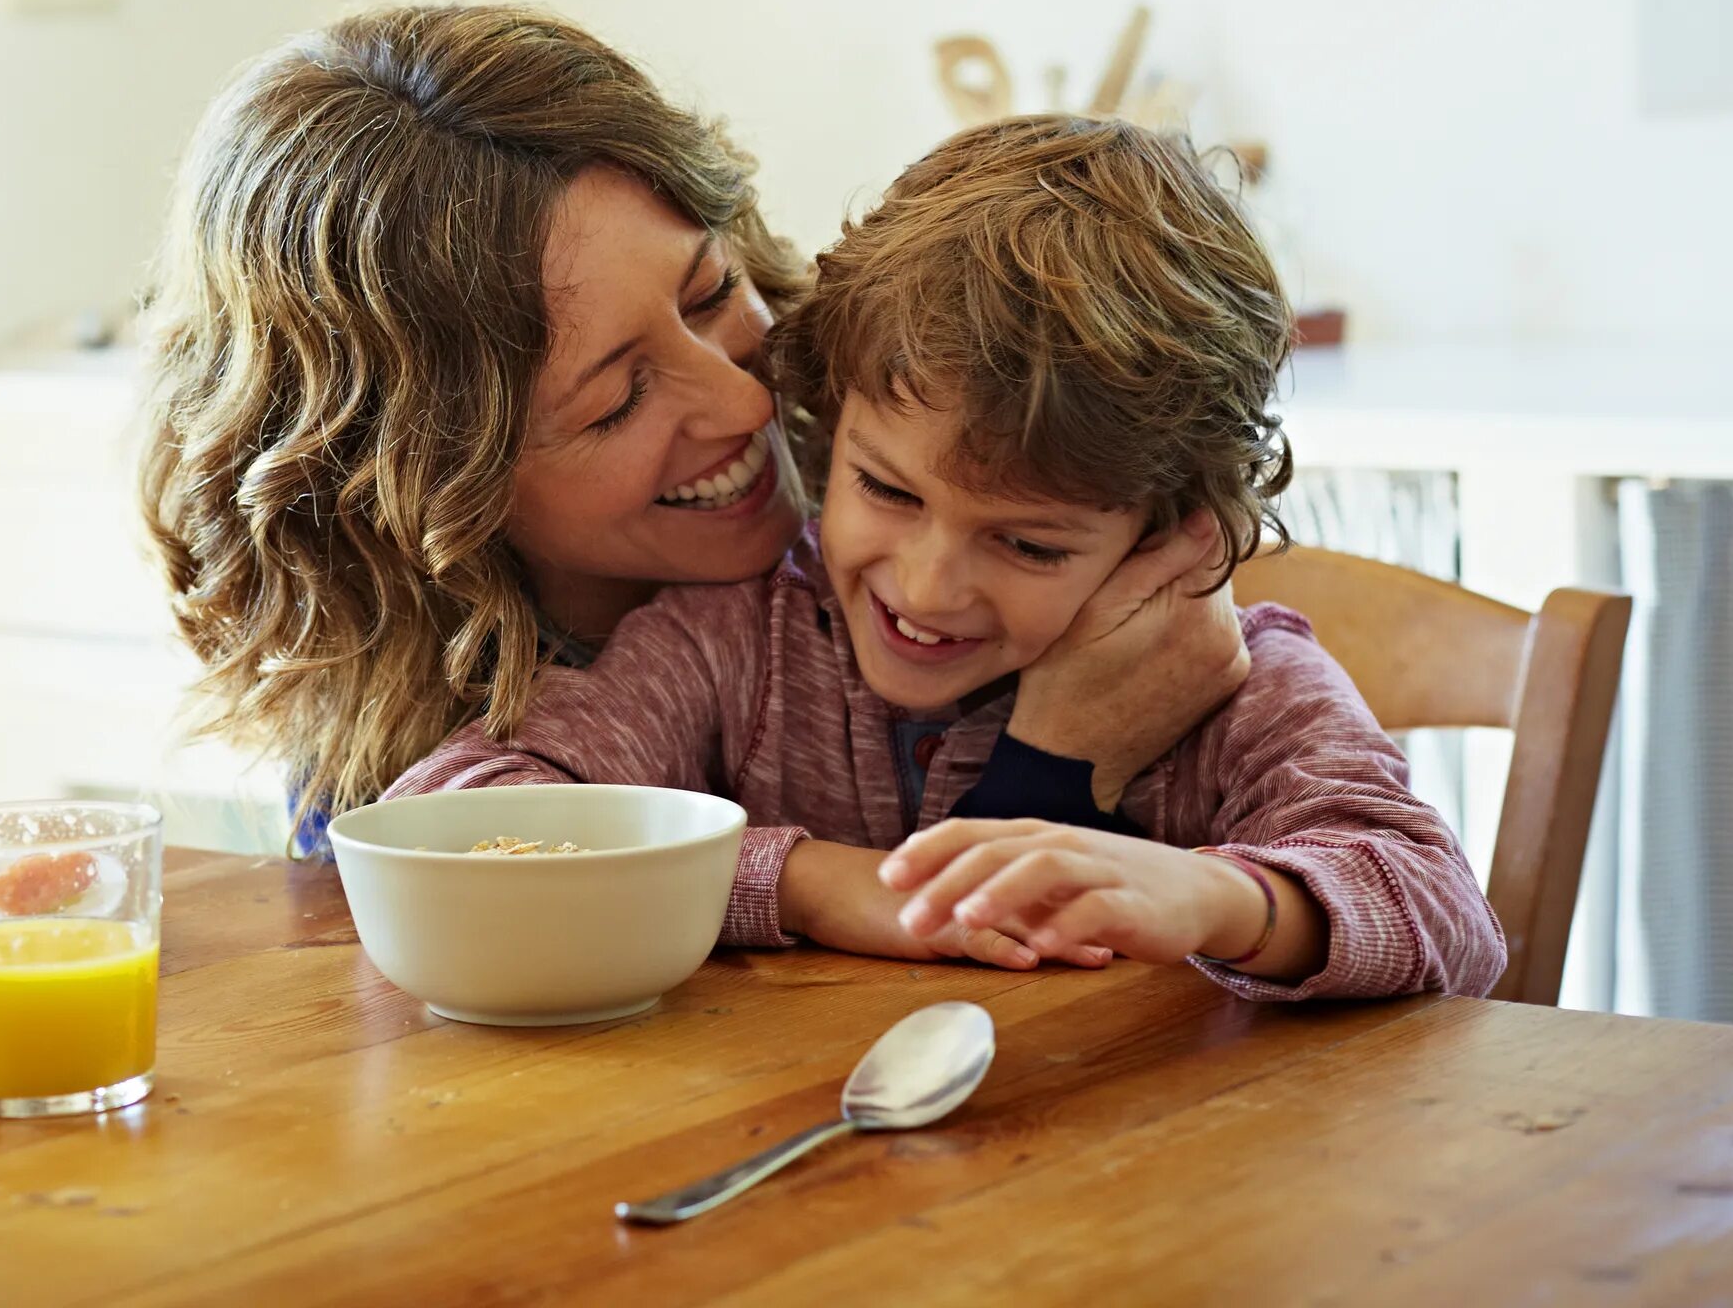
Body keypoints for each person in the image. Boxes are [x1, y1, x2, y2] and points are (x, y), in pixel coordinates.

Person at [136, 4, 1253, 919]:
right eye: (617, 398)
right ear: (426, 485)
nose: (745, 395)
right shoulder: (422, 766)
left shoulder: (926, 505)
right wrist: (1034, 776)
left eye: (713, 291)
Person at [389, 114, 1504, 1000]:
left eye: (1027, 542)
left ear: (1169, 535)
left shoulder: (1236, 686)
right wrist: (814, 881)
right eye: (884, 489)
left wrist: (1224, 899)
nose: (925, 585)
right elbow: (464, 809)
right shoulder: (737, 642)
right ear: (831, 422)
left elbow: (1449, 918)